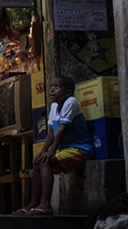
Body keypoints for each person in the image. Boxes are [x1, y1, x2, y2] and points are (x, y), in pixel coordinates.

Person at [13, 75, 93, 216]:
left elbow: (62, 129)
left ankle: (46, 204)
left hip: (79, 149)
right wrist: (43, 152)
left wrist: (51, 152)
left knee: (47, 162)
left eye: (57, 87)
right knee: (38, 161)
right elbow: (50, 133)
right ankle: (34, 203)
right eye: (51, 87)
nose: (52, 90)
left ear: (68, 92)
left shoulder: (71, 102)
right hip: (64, 149)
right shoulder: (54, 106)